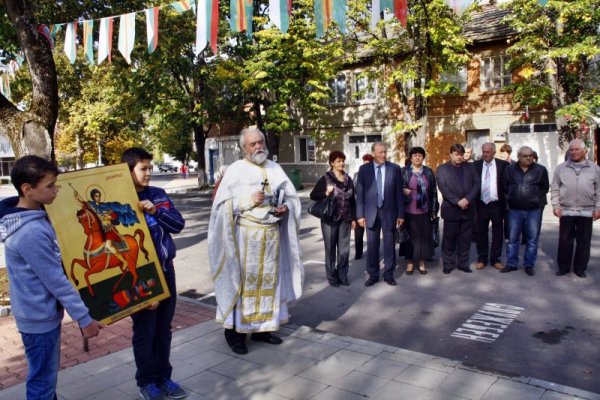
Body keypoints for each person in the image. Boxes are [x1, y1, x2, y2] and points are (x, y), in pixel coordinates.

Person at [0, 155, 103, 400]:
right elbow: (55, 280)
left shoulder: (32, 216)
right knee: (42, 381)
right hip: (39, 318)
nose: (56, 190)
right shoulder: (30, 232)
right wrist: (84, 318)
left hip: (36, 313)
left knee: (43, 375)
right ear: (27, 189)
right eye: (50, 186)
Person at [207, 128, 303, 355]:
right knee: (244, 284)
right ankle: (236, 335)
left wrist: (286, 207)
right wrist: (246, 200)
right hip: (245, 239)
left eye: (260, 142)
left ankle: (262, 330)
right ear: (243, 148)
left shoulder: (275, 168)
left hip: (271, 238)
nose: (258, 146)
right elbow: (220, 208)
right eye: (253, 144)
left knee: (268, 283)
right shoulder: (235, 171)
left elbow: (292, 197)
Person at [121, 147, 187, 400]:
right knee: (145, 330)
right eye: (143, 168)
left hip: (166, 271)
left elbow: (178, 225)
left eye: (150, 167)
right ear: (128, 171)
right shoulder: (120, 202)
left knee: (163, 329)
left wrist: (154, 211)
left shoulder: (158, 195)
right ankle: (147, 381)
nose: (149, 173)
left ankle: (164, 378)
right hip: (139, 276)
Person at [356, 142, 405, 286]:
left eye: (385, 152)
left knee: (389, 244)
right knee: (372, 245)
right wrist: (359, 215)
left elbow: (399, 194)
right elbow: (360, 194)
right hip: (370, 213)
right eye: (380, 152)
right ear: (373, 153)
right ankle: (373, 274)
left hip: (389, 212)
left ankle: (389, 274)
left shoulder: (394, 169)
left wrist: (401, 214)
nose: (383, 155)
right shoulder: (364, 170)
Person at [551, 139, 600, 278]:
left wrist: (598, 208)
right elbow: (554, 189)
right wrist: (555, 205)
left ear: (584, 151)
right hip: (566, 210)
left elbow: (599, 191)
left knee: (583, 242)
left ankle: (580, 268)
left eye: (577, 149)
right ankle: (563, 268)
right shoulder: (561, 168)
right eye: (571, 149)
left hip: (586, 210)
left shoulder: (595, 169)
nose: (573, 152)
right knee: (565, 241)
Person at [310, 151, 356, 287]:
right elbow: (313, 195)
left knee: (344, 250)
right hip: (329, 219)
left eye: (342, 161)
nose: (341, 163)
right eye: (338, 161)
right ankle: (332, 277)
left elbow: (353, 200)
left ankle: (342, 275)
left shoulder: (348, 179)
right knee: (330, 249)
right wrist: (326, 192)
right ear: (331, 163)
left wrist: (353, 218)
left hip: (345, 219)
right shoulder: (326, 178)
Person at [502, 146, 549, 276]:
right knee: (512, 239)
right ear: (519, 157)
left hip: (533, 210)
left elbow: (544, 188)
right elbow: (505, 187)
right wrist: (512, 199)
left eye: (531, 155)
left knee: (532, 239)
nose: (529, 158)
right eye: (525, 156)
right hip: (515, 210)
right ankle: (511, 264)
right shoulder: (510, 169)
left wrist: (534, 200)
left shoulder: (540, 170)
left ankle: (529, 265)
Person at [436, 143, 480, 274]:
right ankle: (448, 264)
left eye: (461, 154)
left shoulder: (470, 167)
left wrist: (467, 199)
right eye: (456, 154)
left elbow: (477, 185)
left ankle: (463, 263)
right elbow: (443, 188)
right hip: (451, 209)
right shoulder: (442, 169)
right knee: (449, 238)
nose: (459, 157)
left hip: (468, 208)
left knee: (465, 238)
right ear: (450, 154)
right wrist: (457, 201)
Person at [400, 147, 439, 275]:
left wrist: (434, 210)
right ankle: (410, 262)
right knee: (410, 238)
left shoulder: (428, 171)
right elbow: (396, 188)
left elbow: (433, 192)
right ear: (410, 158)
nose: (417, 157)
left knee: (423, 237)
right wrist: (403, 190)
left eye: (420, 155)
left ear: (423, 157)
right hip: (409, 210)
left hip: (424, 210)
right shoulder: (404, 171)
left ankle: (421, 262)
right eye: (415, 155)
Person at [474, 143, 509, 270]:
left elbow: (508, 184)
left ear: (494, 152)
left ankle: (495, 259)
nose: (485, 154)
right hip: (481, 204)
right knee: (481, 232)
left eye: (488, 152)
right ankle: (482, 258)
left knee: (497, 233)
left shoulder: (503, 165)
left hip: (497, 205)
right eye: (483, 151)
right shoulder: (476, 165)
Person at [353, 154, 373, 259]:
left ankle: (372, 251)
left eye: (368, 162)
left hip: (370, 207)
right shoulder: (358, 174)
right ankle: (358, 252)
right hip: (359, 205)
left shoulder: (375, 174)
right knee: (358, 232)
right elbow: (355, 189)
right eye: (364, 161)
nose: (366, 163)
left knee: (371, 232)